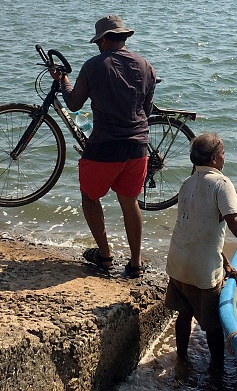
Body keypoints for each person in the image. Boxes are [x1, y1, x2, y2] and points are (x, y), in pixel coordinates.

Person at [49, 15, 157, 278]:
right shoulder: (145, 65)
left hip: (104, 147)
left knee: (90, 197)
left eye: (99, 41)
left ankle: (105, 256)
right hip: (137, 147)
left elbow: (73, 104)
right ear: (124, 38)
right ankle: (135, 263)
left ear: (105, 39)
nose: (98, 46)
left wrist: (63, 80)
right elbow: (147, 109)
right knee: (130, 202)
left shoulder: (93, 66)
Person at [164, 133, 237, 366]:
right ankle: (216, 372)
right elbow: (235, 224)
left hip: (177, 262)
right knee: (212, 325)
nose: (224, 158)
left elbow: (197, 232)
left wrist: (225, 263)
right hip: (202, 270)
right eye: (223, 154)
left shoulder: (187, 184)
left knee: (183, 314)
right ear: (214, 159)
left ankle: (181, 358)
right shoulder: (222, 184)